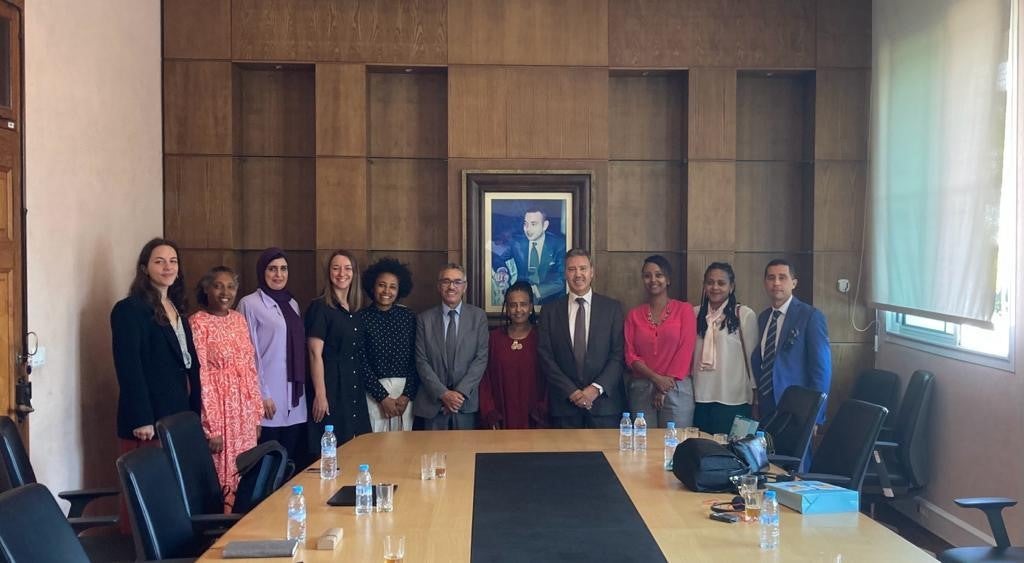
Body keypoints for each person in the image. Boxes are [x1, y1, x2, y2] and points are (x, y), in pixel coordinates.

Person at [111, 238, 202, 445]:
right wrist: (142, 418)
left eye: (173, 261)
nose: (168, 267)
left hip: (180, 410)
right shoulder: (129, 309)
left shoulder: (176, 306)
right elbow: (129, 368)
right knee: (153, 476)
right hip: (150, 419)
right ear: (145, 268)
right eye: (159, 262)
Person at [189, 266, 262, 511]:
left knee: (247, 470)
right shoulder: (198, 323)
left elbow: (250, 367)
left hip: (243, 410)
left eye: (231, 286)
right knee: (223, 472)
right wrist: (212, 428)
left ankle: (244, 524)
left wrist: (256, 413)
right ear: (206, 289)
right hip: (219, 409)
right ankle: (221, 529)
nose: (225, 292)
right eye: (218, 285)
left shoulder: (239, 320)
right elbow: (201, 376)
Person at [537, 249, 625, 428]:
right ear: (565, 273)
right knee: (568, 456)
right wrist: (572, 391)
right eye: (572, 269)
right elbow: (545, 357)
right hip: (564, 406)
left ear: (592, 272)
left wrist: (595, 389)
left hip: (604, 406)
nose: (578, 274)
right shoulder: (550, 311)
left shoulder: (612, 309)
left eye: (583, 268)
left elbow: (619, 354)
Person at [237, 248, 308, 466]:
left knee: (291, 462)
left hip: (295, 398)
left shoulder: (292, 303)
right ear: (262, 272)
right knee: (268, 464)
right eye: (272, 269)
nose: (278, 274)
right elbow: (249, 353)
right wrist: (262, 395)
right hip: (268, 397)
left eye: (283, 269)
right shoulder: (249, 304)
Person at [751, 259, 832, 439]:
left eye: (782, 277)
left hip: (798, 408)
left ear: (793, 283)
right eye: (771, 278)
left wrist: (816, 416)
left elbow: (821, 370)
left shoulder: (810, 316)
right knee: (769, 459)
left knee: (796, 462)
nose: (776, 283)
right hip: (767, 404)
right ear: (765, 283)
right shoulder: (764, 318)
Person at [305, 251, 372, 448]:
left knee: (358, 447)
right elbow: (314, 353)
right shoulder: (320, 307)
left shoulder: (356, 309)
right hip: (330, 387)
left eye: (347, 268)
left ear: (354, 273)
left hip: (353, 387)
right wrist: (320, 394)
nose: (342, 273)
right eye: (336, 268)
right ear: (329, 273)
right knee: (330, 449)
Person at [413, 263, 489, 430]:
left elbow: (481, 359)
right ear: (439, 286)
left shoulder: (478, 317)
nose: (451, 286)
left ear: (465, 287)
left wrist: (458, 395)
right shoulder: (424, 319)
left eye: (457, 282)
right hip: (433, 404)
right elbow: (421, 361)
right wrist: (443, 394)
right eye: (446, 281)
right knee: (433, 455)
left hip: (465, 405)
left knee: (464, 455)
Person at [624, 255, 696, 428]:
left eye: (659, 275)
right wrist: (656, 379)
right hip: (642, 388)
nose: (653, 280)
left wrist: (664, 385)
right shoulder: (634, 315)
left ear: (668, 279)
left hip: (677, 388)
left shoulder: (684, 310)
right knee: (643, 446)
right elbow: (630, 354)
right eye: (647, 276)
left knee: (677, 445)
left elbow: (685, 349)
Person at [691, 262, 759, 435]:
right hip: (700, 395)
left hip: (733, 397)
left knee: (729, 454)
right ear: (704, 286)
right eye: (710, 282)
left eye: (721, 283)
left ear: (731, 287)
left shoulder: (744, 315)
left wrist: (755, 395)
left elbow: (753, 359)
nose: (715, 287)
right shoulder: (694, 314)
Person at [359, 257, 419, 432]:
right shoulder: (361, 318)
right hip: (373, 394)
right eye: (381, 285)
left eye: (393, 286)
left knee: (404, 447)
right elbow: (361, 361)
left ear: (400, 290)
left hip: (404, 394)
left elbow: (417, 359)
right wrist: (382, 397)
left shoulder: (409, 317)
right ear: (372, 286)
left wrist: (407, 394)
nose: (387, 291)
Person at [479, 281, 548, 429]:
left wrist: (541, 413)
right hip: (500, 419)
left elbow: (550, 379)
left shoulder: (542, 338)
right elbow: (484, 380)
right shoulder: (494, 339)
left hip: (534, 420)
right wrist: (490, 413)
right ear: (507, 308)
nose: (518, 309)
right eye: (513, 305)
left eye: (523, 304)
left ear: (530, 307)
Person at [495, 207, 567, 304]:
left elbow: (562, 278)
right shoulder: (517, 242)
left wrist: (536, 291)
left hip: (548, 300)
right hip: (518, 298)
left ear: (545, 225)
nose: (528, 229)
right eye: (526, 224)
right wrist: (502, 270)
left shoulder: (559, 245)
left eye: (533, 224)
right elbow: (498, 259)